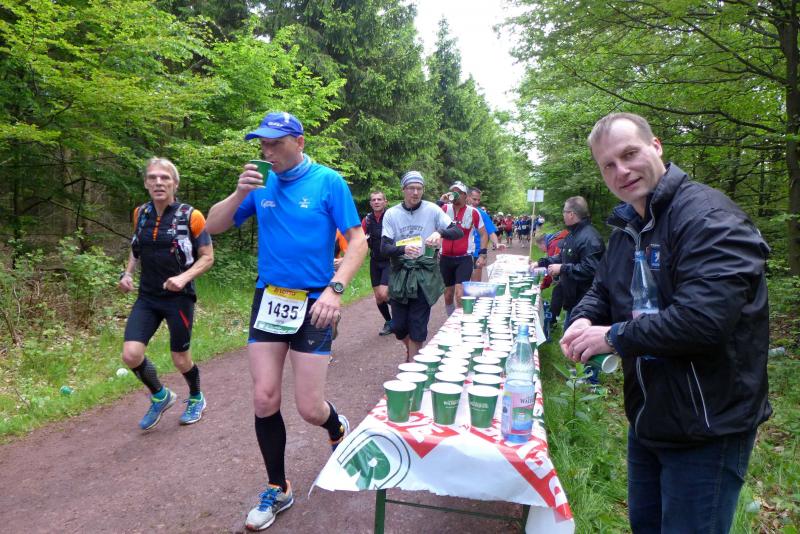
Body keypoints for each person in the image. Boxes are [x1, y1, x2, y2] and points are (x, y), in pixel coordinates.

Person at [561, 112, 771, 533]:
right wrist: (582, 318)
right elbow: (603, 289)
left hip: (706, 425)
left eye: (629, 154)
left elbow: (703, 320)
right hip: (649, 416)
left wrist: (613, 336)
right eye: (608, 165)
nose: (621, 171)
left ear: (656, 146)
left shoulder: (709, 216)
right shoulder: (627, 226)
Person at [204, 111, 367, 532]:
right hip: (270, 299)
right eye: (262, 144)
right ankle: (278, 487)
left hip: (315, 302)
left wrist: (335, 289)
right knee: (264, 398)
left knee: (309, 408)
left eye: (275, 143)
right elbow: (213, 226)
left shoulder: (328, 182)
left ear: (300, 142)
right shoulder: (259, 184)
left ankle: (336, 424)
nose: (267, 151)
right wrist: (239, 193)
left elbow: (358, 242)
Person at [119, 157, 214, 430]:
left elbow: (207, 257)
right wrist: (127, 274)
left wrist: (183, 278)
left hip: (179, 298)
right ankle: (160, 396)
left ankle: (196, 397)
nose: (158, 182)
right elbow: (136, 248)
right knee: (131, 354)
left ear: (175, 183)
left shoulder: (191, 216)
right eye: (153, 178)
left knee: (180, 358)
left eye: (165, 178)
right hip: (148, 297)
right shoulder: (141, 213)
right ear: (146, 183)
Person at [381, 171, 463, 361]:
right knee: (399, 327)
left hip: (424, 273)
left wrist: (440, 232)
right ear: (403, 190)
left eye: (419, 188)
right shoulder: (392, 214)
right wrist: (402, 249)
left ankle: (413, 364)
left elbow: (457, 231)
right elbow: (384, 248)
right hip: (401, 274)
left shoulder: (432, 209)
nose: (415, 192)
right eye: (411, 188)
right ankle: (411, 350)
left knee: (417, 325)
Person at [536, 196, 604, 331]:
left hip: (584, 303)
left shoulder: (590, 238)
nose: (563, 215)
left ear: (571, 214)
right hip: (573, 299)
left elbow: (591, 269)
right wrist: (541, 262)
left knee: (573, 341)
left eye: (564, 212)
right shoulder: (573, 234)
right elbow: (563, 256)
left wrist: (562, 268)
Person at [437, 181, 489, 315]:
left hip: (464, 258)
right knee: (448, 295)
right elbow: (429, 219)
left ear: (466, 196)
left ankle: (461, 322)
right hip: (445, 258)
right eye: (454, 192)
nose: (456, 194)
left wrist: (482, 254)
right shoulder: (444, 209)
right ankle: (451, 319)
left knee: (460, 294)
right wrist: (440, 202)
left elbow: (484, 234)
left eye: (459, 192)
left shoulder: (473, 212)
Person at [361, 191, 393, 335]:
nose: (376, 202)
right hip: (374, 261)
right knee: (379, 297)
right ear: (370, 203)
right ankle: (390, 322)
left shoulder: (391, 217)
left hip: (389, 261)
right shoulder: (367, 220)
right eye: (373, 200)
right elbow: (360, 240)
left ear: (385, 202)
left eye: (379, 199)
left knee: (384, 294)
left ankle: (402, 311)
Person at [466, 187, 505, 282]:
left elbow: (490, 232)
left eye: (478, 200)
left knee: (475, 284)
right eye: (474, 199)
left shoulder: (482, 214)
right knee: (460, 286)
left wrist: (496, 243)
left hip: (477, 252)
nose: (477, 202)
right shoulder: (458, 211)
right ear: (467, 197)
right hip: (461, 252)